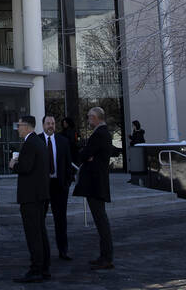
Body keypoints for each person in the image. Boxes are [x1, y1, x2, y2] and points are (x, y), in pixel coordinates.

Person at [10, 114, 50, 283]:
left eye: (19, 125)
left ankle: (36, 269)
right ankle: (43, 268)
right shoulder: (39, 142)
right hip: (40, 196)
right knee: (40, 233)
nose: (17, 128)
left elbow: (25, 167)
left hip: (31, 197)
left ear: (26, 126)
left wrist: (14, 164)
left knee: (34, 234)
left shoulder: (30, 143)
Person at [73, 106, 115, 270]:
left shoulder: (100, 134)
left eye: (90, 117)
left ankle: (106, 257)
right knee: (100, 220)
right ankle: (104, 256)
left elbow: (84, 154)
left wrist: (87, 155)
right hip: (97, 183)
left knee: (101, 221)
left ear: (97, 118)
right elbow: (86, 155)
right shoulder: (102, 134)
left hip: (95, 184)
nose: (88, 120)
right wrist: (87, 155)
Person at [41, 114, 75, 261]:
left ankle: (63, 250)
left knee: (60, 219)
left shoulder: (63, 141)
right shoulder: (37, 141)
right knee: (39, 219)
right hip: (43, 185)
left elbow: (68, 163)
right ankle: (41, 251)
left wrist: (67, 182)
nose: (51, 126)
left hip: (59, 185)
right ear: (43, 125)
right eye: (48, 123)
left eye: (53, 123)